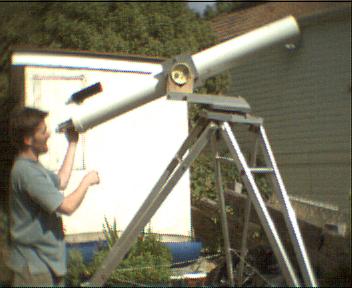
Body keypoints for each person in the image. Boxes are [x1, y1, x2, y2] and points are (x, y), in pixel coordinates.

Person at [7, 107, 100, 287]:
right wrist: (87, 181)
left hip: (43, 263)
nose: (48, 134)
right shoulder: (27, 173)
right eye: (43, 131)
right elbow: (68, 206)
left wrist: (72, 143)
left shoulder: (33, 167)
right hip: (34, 268)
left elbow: (62, 181)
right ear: (28, 140)